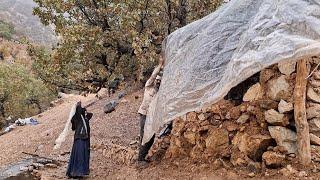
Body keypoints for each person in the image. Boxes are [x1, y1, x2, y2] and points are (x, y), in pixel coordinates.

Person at [137, 55, 164, 164]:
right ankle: (140, 159)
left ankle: (143, 157)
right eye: (157, 80)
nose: (157, 82)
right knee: (145, 136)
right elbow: (153, 76)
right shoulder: (149, 86)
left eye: (159, 81)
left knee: (151, 137)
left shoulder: (159, 92)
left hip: (151, 116)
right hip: (144, 114)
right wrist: (160, 65)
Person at [67, 101, 93, 178]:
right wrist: (78, 105)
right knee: (80, 155)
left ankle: (79, 172)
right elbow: (73, 127)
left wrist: (85, 111)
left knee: (82, 155)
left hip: (82, 139)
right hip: (80, 139)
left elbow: (90, 114)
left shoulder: (85, 118)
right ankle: (77, 172)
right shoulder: (77, 117)